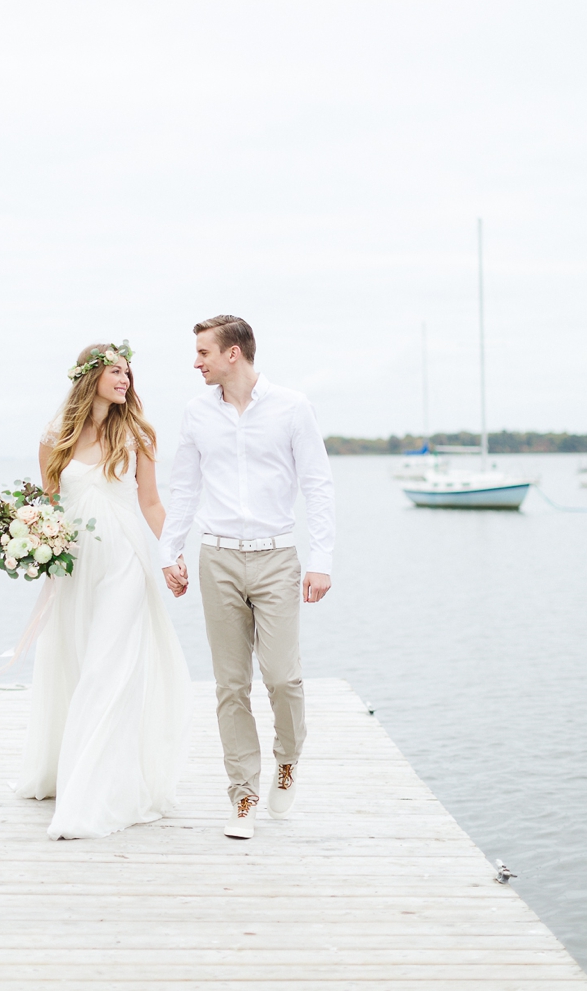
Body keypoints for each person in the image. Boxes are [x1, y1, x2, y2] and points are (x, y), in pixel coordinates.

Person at [159, 316, 334, 839]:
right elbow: (184, 487)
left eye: (203, 352)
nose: (196, 362)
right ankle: (244, 795)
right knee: (230, 685)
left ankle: (287, 760)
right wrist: (171, 550)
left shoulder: (292, 407)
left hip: (277, 558)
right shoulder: (196, 414)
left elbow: (318, 485)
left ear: (233, 354)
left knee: (283, 678)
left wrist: (322, 558)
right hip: (218, 560)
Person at [14, 341, 191, 840]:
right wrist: (25, 540)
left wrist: (171, 554)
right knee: (73, 661)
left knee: (107, 671)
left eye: (129, 372)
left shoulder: (138, 435)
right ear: (88, 376)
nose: (126, 380)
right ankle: (66, 771)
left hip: (124, 562)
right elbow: (47, 506)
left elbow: (153, 504)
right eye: (116, 370)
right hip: (74, 566)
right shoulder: (55, 440)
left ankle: (91, 799)